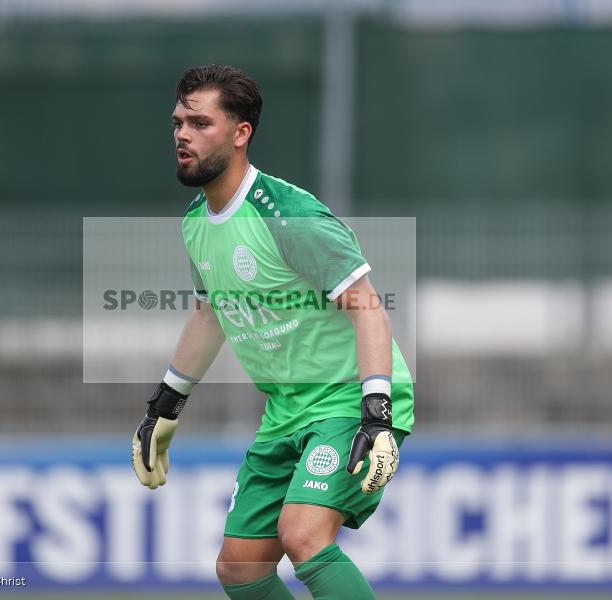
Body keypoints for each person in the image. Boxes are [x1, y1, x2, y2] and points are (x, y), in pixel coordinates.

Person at [131, 64, 414, 600]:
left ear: (241, 134)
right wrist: (163, 406)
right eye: (177, 123)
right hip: (285, 410)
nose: (182, 135)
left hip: (348, 400)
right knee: (240, 569)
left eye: (198, 123)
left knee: (303, 535)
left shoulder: (288, 215)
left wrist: (376, 413)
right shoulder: (196, 222)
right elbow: (210, 314)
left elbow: (369, 307)